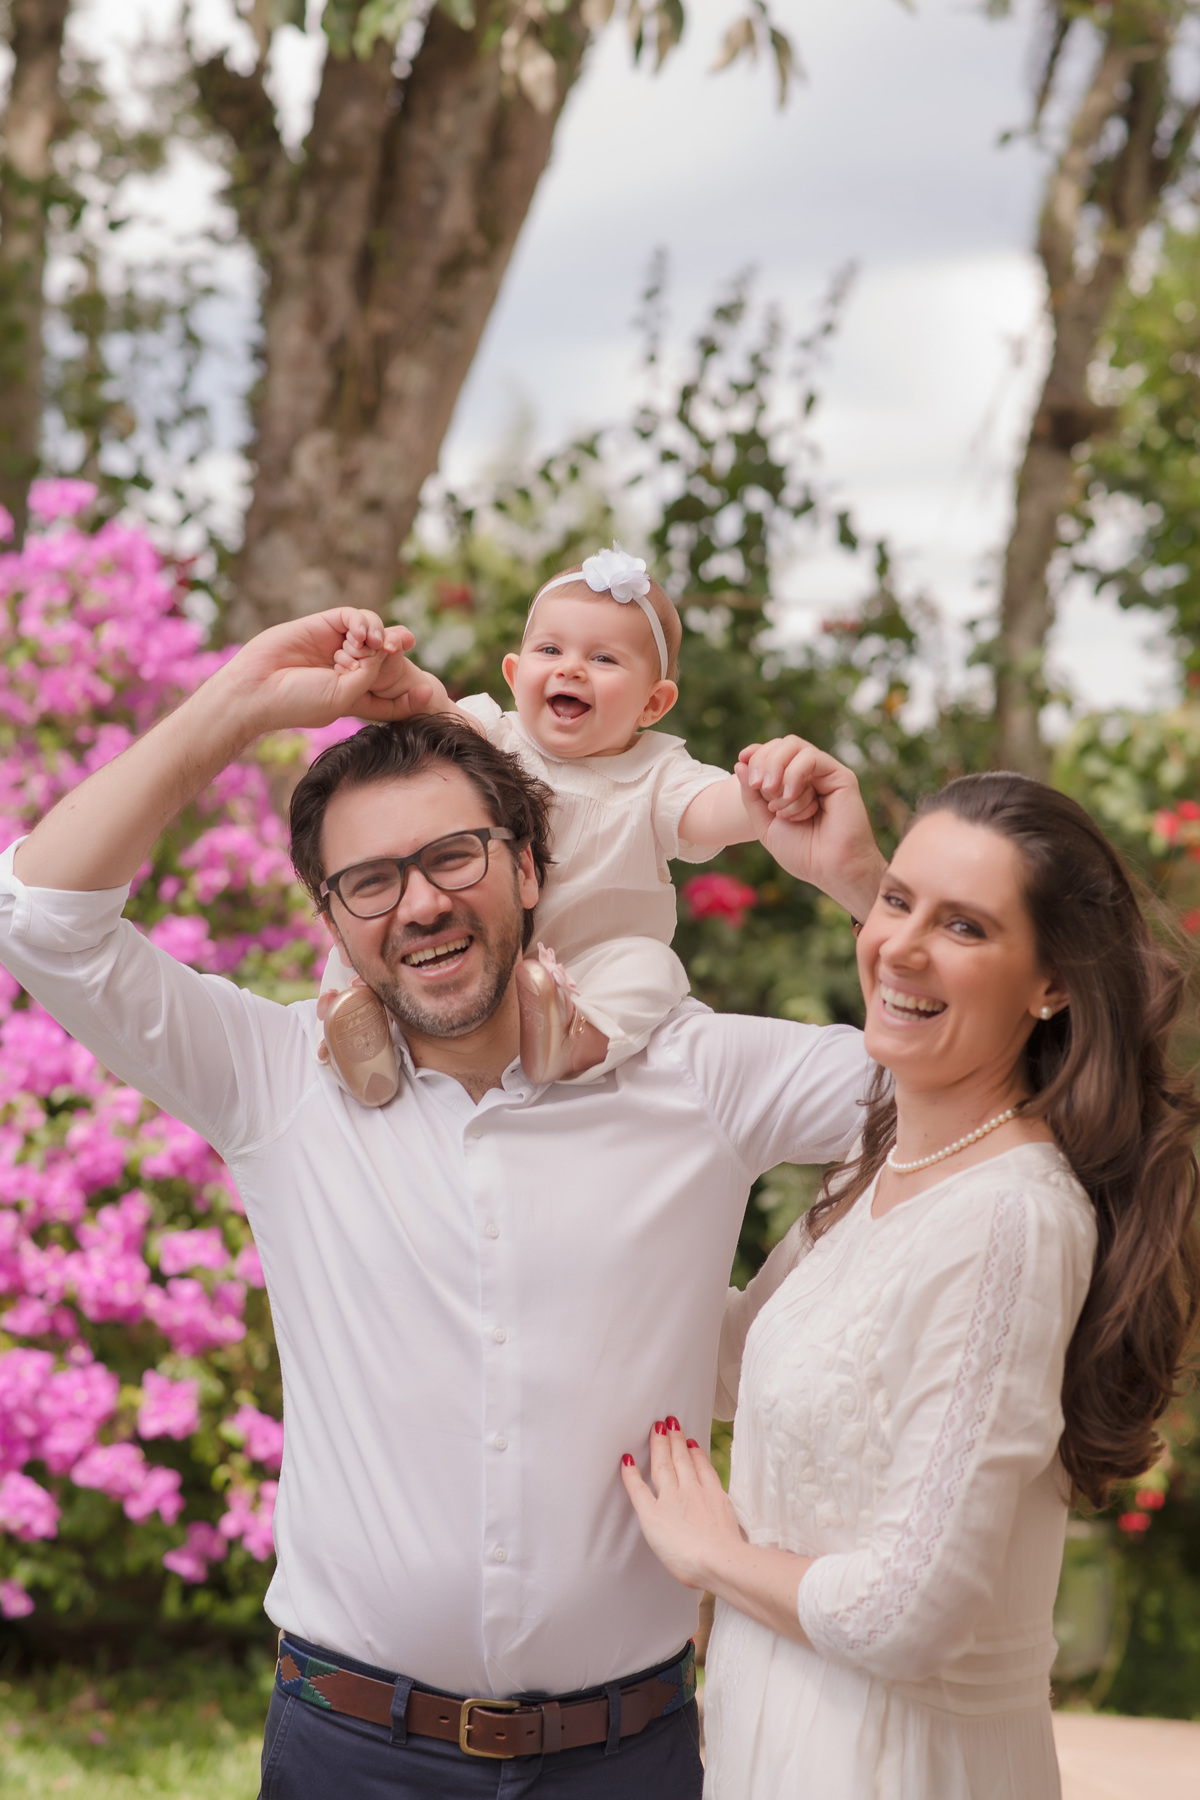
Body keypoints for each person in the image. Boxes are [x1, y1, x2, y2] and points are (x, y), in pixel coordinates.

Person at [0, 607, 884, 1799]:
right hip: (346, 1755)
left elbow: (994, 1080)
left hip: (626, 1761)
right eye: (367, 882)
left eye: (454, 857)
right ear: (332, 920)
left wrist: (862, 884)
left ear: (529, 865)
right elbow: (46, 921)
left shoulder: (696, 1073)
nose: (418, 905)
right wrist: (244, 699)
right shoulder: (275, 1085)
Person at [621, 773, 1200, 1800]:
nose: (899, 946)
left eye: (966, 926)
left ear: (1051, 984)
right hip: (772, 1741)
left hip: (890, 1767)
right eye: (897, 901)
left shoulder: (1009, 1217)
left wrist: (714, 1557)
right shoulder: (886, 1164)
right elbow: (736, 1363)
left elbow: (911, 1610)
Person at [319, 544, 823, 1097]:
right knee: (375, 912)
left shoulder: (657, 774)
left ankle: (576, 1039)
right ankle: (358, 1020)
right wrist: (393, 669)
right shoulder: (493, 734)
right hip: (481, 943)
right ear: (514, 673)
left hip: (587, 971)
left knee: (651, 967)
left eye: (604, 659)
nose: (571, 668)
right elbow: (427, 706)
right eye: (551, 649)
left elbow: (709, 812)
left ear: (652, 705)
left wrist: (762, 791)